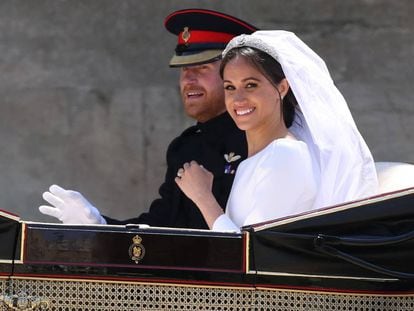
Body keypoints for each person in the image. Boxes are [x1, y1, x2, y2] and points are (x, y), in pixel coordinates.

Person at [38, 9, 258, 229]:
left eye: (202, 67)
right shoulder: (185, 148)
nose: (189, 79)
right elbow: (162, 226)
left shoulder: (258, 137)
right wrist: (101, 226)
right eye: (183, 69)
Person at [175, 30, 379, 232]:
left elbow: (251, 253)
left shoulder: (285, 154)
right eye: (230, 87)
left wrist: (203, 198)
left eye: (251, 85)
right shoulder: (258, 158)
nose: (238, 99)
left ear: (282, 88)